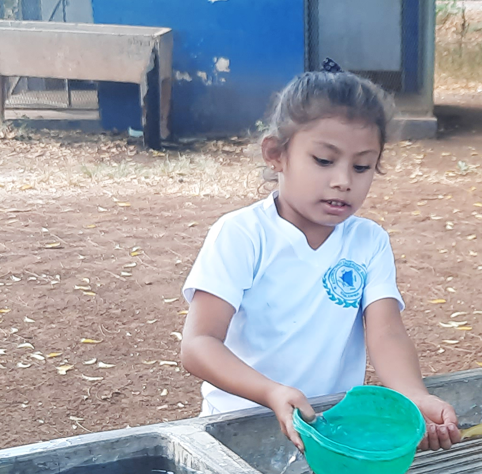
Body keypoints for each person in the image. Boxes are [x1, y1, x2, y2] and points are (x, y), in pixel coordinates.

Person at [180, 61, 460, 453]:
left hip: (330, 431)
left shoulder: (368, 241)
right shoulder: (242, 235)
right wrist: (270, 392)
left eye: (362, 166)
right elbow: (199, 343)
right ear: (276, 155)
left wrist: (414, 394)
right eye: (324, 161)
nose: (344, 180)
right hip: (239, 432)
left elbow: (386, 332)